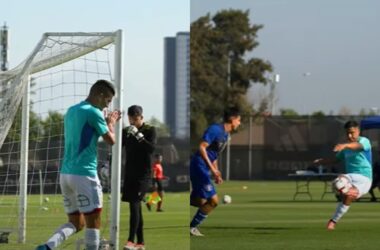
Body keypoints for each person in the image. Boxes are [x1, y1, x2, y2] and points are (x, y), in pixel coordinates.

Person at [36, 79, 121, 250]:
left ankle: (46, 247)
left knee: (76, 223)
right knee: (93, 222)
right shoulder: (93, 113)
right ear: (100, 95)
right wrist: (111, 123)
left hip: (66, 175)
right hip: (84, 174)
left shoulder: (71, 110)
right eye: (108, 100)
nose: (107, 105)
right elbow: (111, 140)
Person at [190, 107, 241, 236]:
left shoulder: (226, 135)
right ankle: (192, 227)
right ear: (232, 119)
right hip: (199, 165)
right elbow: (202, 148)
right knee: (213, 201)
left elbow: (214, 154)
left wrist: (216, 171)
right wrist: (212, 169)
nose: (239, 123)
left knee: (201, 202)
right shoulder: (215, 129)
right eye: (239, 120)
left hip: (204, 167)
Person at [313, 120, 372, 230]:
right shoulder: (346, 148)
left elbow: (358, 146)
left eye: (352, 132)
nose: (350, 135)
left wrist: (345, 145)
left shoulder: (364, 141)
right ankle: (333, 222)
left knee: (343, 186)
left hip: (364, 179)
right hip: (351, 176)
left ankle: (340, 195)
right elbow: (335, 159)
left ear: (358, 131)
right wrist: (322, 161)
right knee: (344, 190)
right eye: (347, 133)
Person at [122, 105, 156, 250]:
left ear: (141, 117)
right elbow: (118, 146)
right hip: (129, 173)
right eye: (130, 119)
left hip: (144, 174)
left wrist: (139, 135)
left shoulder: (150, 130)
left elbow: (151, 149)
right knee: (135, 207)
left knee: (135, 205)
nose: (133, 122)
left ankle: (130, 241)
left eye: (136, 119)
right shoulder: (126, 131)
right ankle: (140, 243)